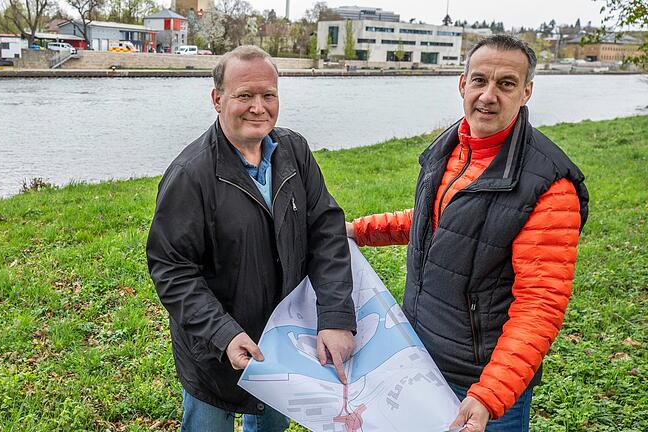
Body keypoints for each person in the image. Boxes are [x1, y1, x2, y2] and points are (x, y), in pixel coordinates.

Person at [347, 35, 589, 432]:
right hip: (421, 361)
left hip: (481, 384)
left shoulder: (549, 186)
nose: (488, 96)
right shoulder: (453, 150)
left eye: (506, 84)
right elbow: (435, 220)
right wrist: (356, 230)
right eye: (479, 81)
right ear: (462, 84)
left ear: (526, 92)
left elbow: (540, 305)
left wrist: (489, 393)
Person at [147, 45, 356, 432]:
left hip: (282, 346)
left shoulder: (294, 151)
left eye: (268, 95)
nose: (258, 107)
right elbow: (172, 270)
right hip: (213, 352)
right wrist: (224, 334)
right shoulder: (190, 175)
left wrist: (336, 316)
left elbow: (326, 231)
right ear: (218, 99)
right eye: (244, 96)